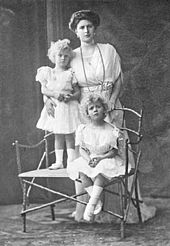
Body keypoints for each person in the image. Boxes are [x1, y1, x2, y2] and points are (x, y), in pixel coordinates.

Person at [45, 10, 156, 223]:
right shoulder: (72, 55)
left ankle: (121, 207)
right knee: (86, 153)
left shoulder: (108, 51)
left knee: (113, 150)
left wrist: (113, 100)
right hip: (82, 107)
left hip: (109, 104)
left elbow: (118, 80)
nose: (86, 30)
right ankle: (89, 205)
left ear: (95, 28)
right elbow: (56, 79)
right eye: (81, 27)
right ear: (76, 32)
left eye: (89, 26)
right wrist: (49, 98)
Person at [67, 94, 131, 222]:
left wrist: (101, 158)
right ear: (87, 113)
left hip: (107, 159)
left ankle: (91, 205)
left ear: (104, 110)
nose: (95, 110)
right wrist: (88, 159)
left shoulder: (111, 130)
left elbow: (114, 151)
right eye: (91, 108)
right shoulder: (83, 129)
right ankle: (96, 201)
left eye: (98, 107)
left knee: (100, 173)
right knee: (82, 173)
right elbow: (82, 149)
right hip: (90, 158)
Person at [36, 39, 80, 169]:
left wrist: (71, 97)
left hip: (68, 107)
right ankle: (59, 161)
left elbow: (78, 92)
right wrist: (55, 95)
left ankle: (71, 161)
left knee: (69, 134)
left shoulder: (70, 73)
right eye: (60, 55)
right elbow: (44, 89)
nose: (63, 58)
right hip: (56, 107)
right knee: (58, 135)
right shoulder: (48, 72)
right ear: (53, 56)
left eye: (66, 56)